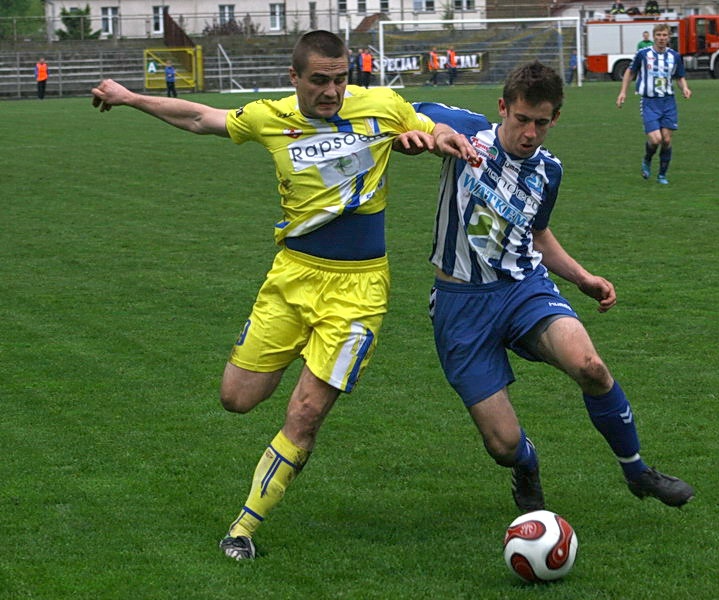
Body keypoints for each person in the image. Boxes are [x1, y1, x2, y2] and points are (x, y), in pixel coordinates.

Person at [90, 30, 472, 561]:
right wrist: (131, 98)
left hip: (359, 290)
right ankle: (302, 362)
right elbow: (202, 118)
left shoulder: (383, 106)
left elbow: (434, 129)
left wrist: (440, 139)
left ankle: (243, 528)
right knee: (237, 398)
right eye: (319, 81)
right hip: (292, 278)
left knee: (306, 414)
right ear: (294, 78)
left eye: (340, 80)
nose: (333, 92)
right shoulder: (270, 118)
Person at [413, 61, 694, 515]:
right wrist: (424, 133)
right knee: (502, 444)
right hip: (460, 303)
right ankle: (526, 467)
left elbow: (537, 235)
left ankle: (637, 471)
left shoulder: (549, 171)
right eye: (521, 119)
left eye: (541, 123)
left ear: (555, 119)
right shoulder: (470, 133)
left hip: (523, 289)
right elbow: (400, 111)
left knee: (591, 367)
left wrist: (583, 278)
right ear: (503, 107)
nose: (529, 132)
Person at [616, 23, 692, 185]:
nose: (661, 38)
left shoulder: (675, 56)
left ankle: (662, 175)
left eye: (664, 35)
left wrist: (685, 88)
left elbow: (679, 76)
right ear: (654, 36)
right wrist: (623, 92)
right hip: (649, 101)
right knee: (655, 139)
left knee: (666, 140)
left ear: (669, 37)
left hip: (668, 101)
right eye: (658, 35)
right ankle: (647, 159)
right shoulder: (643, 54)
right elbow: (630, 71)